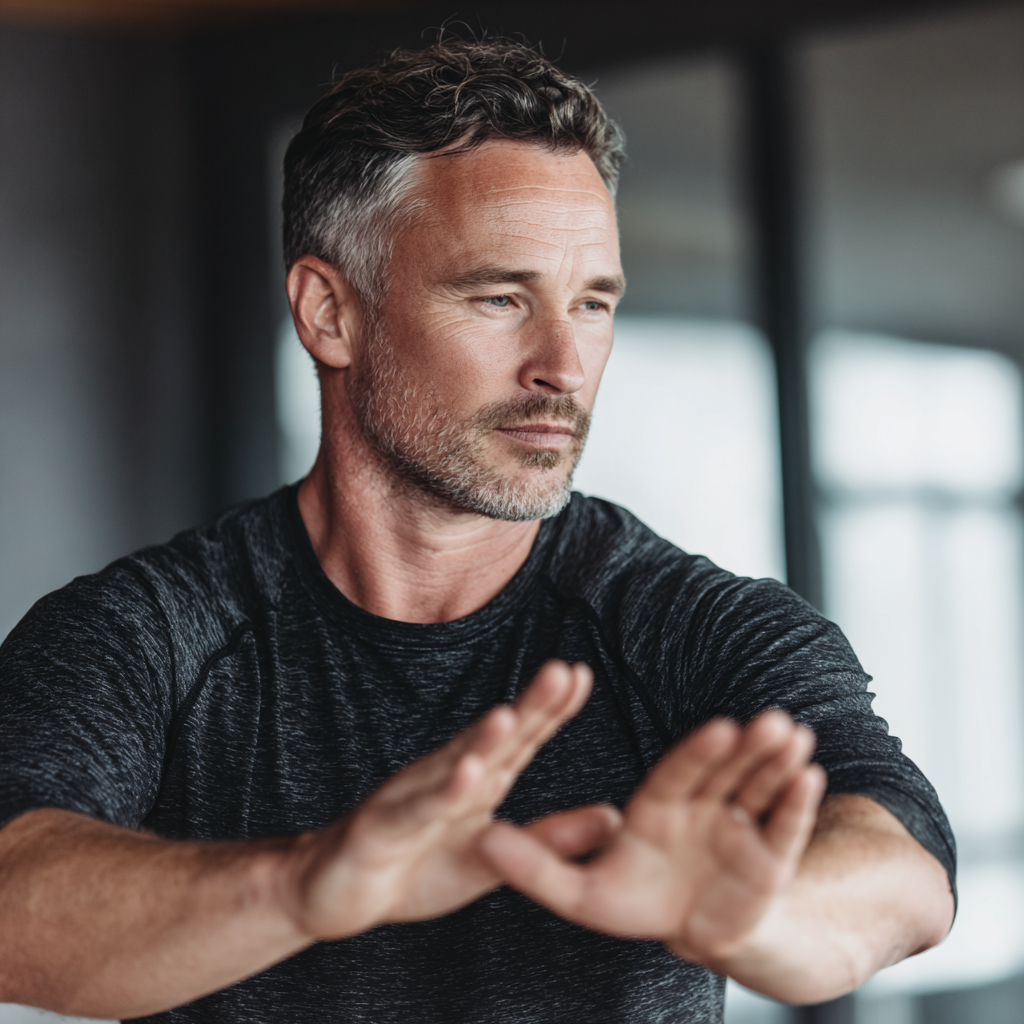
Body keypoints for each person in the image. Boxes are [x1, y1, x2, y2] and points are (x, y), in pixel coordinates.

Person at [0, 39, 954, 1024]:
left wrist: (753, 920)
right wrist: (302, 883)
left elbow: (904, 872)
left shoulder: (688, 626)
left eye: (592, 303)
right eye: (500, 297)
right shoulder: (150, 634)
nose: (563, 365)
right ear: (329, 313)